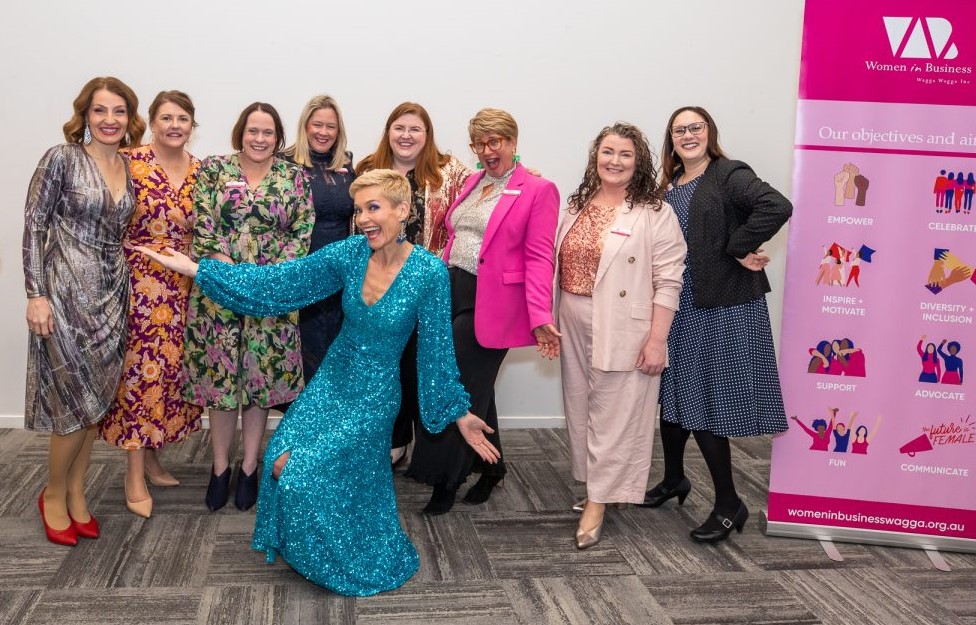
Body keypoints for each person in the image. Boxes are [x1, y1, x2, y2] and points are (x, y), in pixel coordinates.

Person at [138, 169, 499, 596]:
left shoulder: (428, 273)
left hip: (374, 396)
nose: (363, 217)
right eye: (358, 208)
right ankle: (313, 542)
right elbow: (278, 284)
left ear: (403, 210)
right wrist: (198, 270)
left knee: (297, 473)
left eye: (374, 207)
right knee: (279, 456)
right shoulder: (349, 254)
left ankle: (344, 552)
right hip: (332, 381)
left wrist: (458, 413)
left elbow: (436, 352)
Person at [642, 106, 792, 544]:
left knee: (706, 404)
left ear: (709, 131)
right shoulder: (668, 185)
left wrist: (737, 246)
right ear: (671, 139)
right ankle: (674, 479)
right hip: (678, 302)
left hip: (721, 306)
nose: (688, 135)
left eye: (696, 127)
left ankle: (730, 504)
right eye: (679, 130)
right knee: (673, 394)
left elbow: (776, 205)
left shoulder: (728, 173)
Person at [405, 108, 561, 515]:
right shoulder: (473, 182)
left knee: (457, 380)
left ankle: (446, 479)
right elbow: (454, 235)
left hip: (496, 302)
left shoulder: (538, 189)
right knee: (476, 385)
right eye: (480, 142)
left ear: (512, 142)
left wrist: (541, 314)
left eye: (497, 141)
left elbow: (541, 256)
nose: (489, 150)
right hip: (453, 289)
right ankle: (492, 468)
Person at [24, 76, 145, 545]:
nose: (110, 120)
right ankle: (52, 493)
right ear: (85, 115)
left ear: (129, 118)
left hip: (113, 295)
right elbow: (33, 225)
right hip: (65, 293)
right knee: (72, 401)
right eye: (100, 111)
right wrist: (35, 293)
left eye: (119, 111)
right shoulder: (62, 159)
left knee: (95, 401)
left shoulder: (129, 167)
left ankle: (76, 492)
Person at [555, 123, 685, 549]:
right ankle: (597, 484)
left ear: (638, 161)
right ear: (596, 156)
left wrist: (657, 340)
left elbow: (669, 279)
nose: (615, 161)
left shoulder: (654, 211)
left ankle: (598, 501)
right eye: (608, 152)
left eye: (625, 154)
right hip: (572, 315)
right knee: (580, 405)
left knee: (615, 410)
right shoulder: (575, 205)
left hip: (625, 321)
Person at [182, 102, 313, 512]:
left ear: (278, 137)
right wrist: (227, 270)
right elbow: (202, 221)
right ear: (241, 132)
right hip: (217, 293)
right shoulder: (213, 170)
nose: (260, 139)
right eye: (253, 131)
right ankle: (220, 467)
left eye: (268, 133)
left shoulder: (294, 176)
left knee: (259, 382)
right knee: (221, 384)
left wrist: (263, 279)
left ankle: (251, 466)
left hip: (271, 295)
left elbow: (301, 231)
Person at [98, 90, 204, 518]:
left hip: (185, 287)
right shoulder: (129, 161)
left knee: (172, 373)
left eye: (182, 118)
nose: (174, 125)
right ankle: (134, 472)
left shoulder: (202, 170)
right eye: (166, 118)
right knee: (141, 376)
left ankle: (154, 456)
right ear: (152, 122)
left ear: (192, 125)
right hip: (141, 286)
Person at [356, 102, 472, 468]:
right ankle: (394, 438)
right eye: (399, 128)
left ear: (427, 135)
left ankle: (426, 445)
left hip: (426, 286)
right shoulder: (368, 169)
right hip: (380, 282)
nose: (406, 136)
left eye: (414, 129)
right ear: (388, 131)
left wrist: (520, 170)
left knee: (419, 365)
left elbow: (489, 186)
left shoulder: (447, 171)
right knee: (385, 366)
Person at [278, 95, 355, 388]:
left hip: (339, 274)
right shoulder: (283, 162)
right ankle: (299, 426)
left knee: (332, 347)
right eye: (317, 125)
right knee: (299, 350)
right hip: (300, 268)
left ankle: (326, 425)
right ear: (305, 126)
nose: (323, 132)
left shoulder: (346, 163)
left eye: (331, 127)